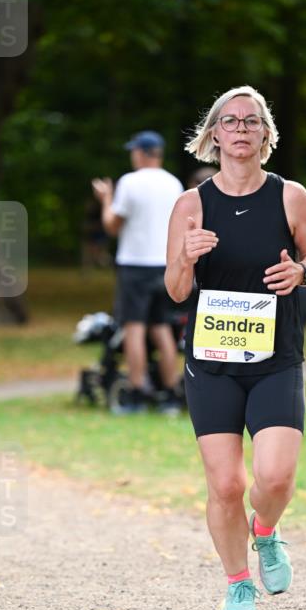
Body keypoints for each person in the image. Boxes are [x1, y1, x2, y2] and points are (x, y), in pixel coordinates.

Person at [165, 85, 306, 610]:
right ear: (213, 135)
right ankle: (237, 584)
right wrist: (186, 258)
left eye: (250, 121)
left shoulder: (290, 195)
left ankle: (266, 532)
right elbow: (174, 290)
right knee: (227, 484)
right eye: (230, 122)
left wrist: (303, 272)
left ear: (265, 133)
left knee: (275, 478)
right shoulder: (192, 205)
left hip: (276, 357)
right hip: (211, 363)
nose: (240, 129)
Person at [92, 131, 183, 414]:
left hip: (135, 265)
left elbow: (112, 226)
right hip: (165, 264)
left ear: (142, 153)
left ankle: (136, 392)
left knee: (134, 328)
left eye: (134, 151)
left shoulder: (130, 183)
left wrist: (105, 199)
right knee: (162, 328)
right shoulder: (174, 184)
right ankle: (169, 393)